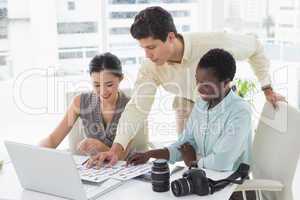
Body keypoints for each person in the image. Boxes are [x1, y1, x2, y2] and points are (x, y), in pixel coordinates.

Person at [89, 6, 285, 167]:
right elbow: (136, 109)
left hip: (221, 101)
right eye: (143, 48)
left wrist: (267, 88)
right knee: (188, 151)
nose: (147, 55)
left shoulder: (216, 42)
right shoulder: (151, 67)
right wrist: (116, 150)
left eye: (151, 47)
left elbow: (256, 47)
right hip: (192, 104)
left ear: (171, 37)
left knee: (219, 161)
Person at [127, 48, 255, 200]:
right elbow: (185, 144)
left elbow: (222, 162)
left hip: (232, 188)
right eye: (197, 80)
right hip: (207, 180)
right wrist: (150, 154)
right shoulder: (202, 103)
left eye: (207, 84)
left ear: (226, 82)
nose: (199, 88)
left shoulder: (240, 111)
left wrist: (192, 163)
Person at [39, 52, 147, 158]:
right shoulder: (80, 102)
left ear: (120, 79)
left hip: (123, 169)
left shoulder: (131, 107)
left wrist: (101, 147)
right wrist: (36, 153)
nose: (103, 92)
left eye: (109, 84)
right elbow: (53, 139)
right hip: (94, 169)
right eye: (96, 85)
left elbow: (121, 157)